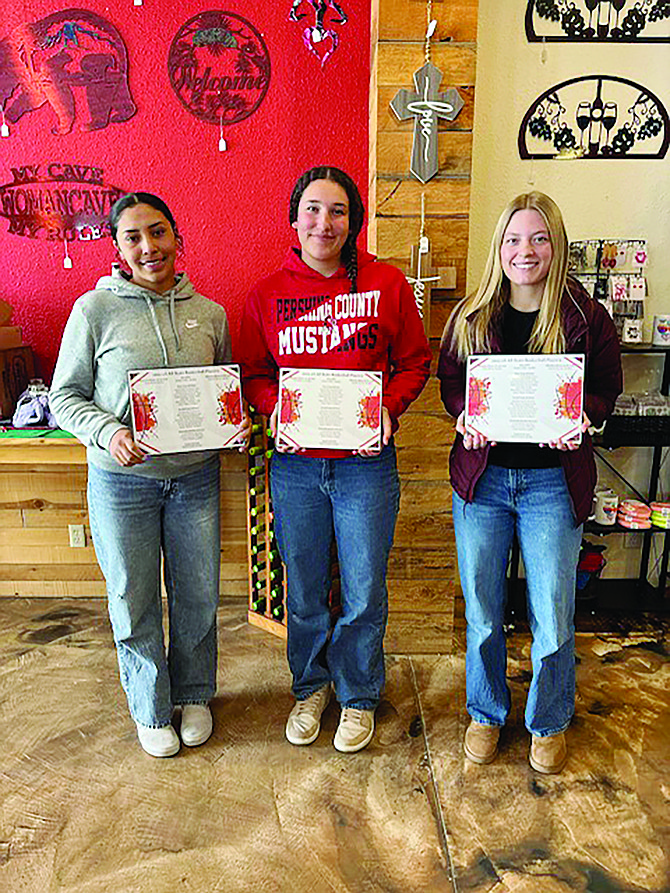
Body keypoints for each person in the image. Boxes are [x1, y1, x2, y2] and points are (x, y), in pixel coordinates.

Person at [239, 166, 431, 752]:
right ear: (294, 219)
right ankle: (310, 686)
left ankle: (358, 694)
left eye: (339, 211)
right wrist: (277, 408)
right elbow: (253, 372)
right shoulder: (267, 293)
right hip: (296, 465)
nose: (326, 222)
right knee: (304, 585)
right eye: (314, 210)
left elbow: (415, 363)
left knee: (365, 587)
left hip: (365, 465)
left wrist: (390, 408)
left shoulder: (387, 284)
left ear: (354, 221)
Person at [50, 192, 248, 758]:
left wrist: (230, 425)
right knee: (132, 596)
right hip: (121, 481)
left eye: (157, 233)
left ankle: (194, 695)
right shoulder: (94, 311)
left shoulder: (210, 314)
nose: (148, 247)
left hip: (195, 480)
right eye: (133, 236)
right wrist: (109, 432)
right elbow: (64, 397)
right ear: (117, 247)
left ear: (177, 239)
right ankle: (150, 706)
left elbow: (223, 390)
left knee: (198, 595)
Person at [438, 192, 622, 774]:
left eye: (539, 239)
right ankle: (486, 713)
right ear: (499, 247)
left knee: (552, 611)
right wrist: (462, 415)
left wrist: (583, 419)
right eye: (515, 239)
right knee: (484, 611)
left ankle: (548, 721)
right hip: (483, 483)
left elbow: (606, 389)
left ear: (556, 246)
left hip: (552, 486)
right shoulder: (472, 315)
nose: (526, 251)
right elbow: (451, 383)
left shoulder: (586, 317)